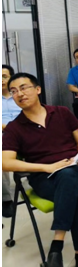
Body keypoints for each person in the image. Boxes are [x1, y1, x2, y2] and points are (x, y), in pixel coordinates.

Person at [3, 73, 78, 267]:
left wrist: (77, 157)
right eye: (14, 91)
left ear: (38, 89)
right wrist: (47, 167)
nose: (19, 94)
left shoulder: (61, 112)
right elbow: (5, 162)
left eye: (24, 88)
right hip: (44, 178)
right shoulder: (15, 127)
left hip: (76, 167)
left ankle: (57, 244)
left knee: (69, 174)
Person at [2, 64, 21, 218]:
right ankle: (6, 199)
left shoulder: (21, 95)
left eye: (4, 76)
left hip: (24, 132)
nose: (1, 80)